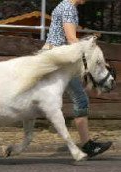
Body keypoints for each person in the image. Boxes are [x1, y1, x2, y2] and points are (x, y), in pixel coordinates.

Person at [43, 0, 112, 157]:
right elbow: (71, 39)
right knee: (81, 99)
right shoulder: (69, 8)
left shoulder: (63, 5)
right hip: (59, 61)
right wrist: (96, 58)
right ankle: (87, 145)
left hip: (51, 57)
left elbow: (67, 32)